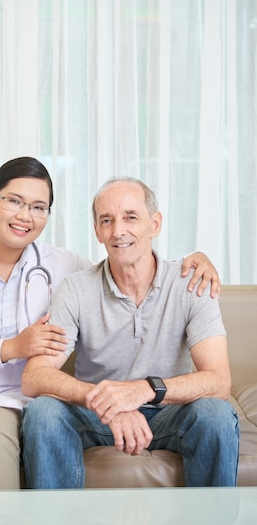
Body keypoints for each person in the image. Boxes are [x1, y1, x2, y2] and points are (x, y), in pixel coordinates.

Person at [0, 159, 221, 490]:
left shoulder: (65, 265)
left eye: (38, 206)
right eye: (14, 201)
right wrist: (11, 348)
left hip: (6, 398)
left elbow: (124, 266)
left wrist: (200, 259)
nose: (24, 215)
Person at [21, 176, 239, 489]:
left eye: (131, 217)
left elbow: (219, 381)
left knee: (215, 414)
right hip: (96, 416)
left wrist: (146, 390)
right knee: (43, 412)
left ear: (155, 223)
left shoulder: (192, 283)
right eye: (106, 220)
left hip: (169, 413)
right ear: (97, 230)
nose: (118, 231)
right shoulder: (76, 289)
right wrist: (109, 405)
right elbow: (35, 376)